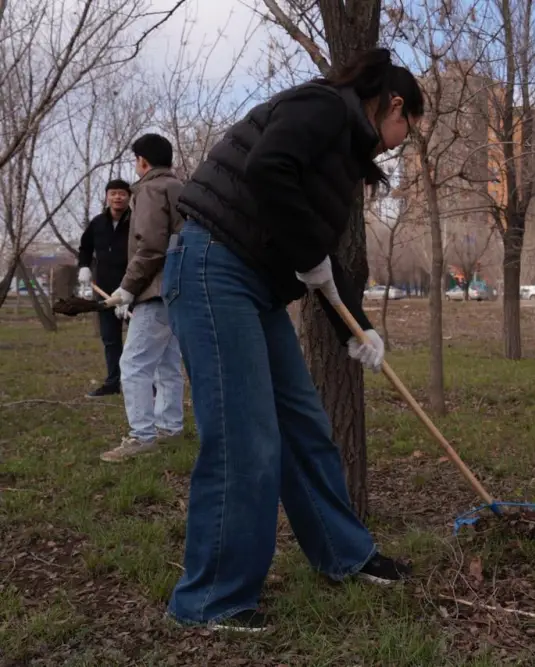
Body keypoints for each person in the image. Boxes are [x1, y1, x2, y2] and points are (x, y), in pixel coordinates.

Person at [160, 48, 424, 632]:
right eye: (407, 128)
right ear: (395, 104)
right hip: (212, 266)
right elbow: (267, 170)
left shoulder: (344, 156)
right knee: (245, 439)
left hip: (256, 284)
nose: (401, 141)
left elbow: (319, 258)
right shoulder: (323, 107)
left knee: (305, 425)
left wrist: (358, 329)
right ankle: (210, 601)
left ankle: (344, 555)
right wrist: (311, 259)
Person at [100, 134, 186, 463]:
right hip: (177, 288)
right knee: (167, 363)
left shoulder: (151, 189)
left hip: (156, 290)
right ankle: (169, 428)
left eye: (136, 160)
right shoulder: (179, 187)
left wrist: (128, 287)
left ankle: (142, 436)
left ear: (143, 162)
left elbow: (150, 246)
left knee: (133, 363)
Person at [77, 179, 132, 397]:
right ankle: (112, 382)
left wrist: (130, 293)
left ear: (129, 197)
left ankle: (150, 384)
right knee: (110, 339)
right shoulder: (98, 223)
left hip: (132, 289)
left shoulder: (137, 221)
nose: (118, 197)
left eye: (122, 193)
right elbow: (85, 247)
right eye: (113, 193)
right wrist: (83, 267)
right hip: (105, 290)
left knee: (140, 340)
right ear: (107, 197)